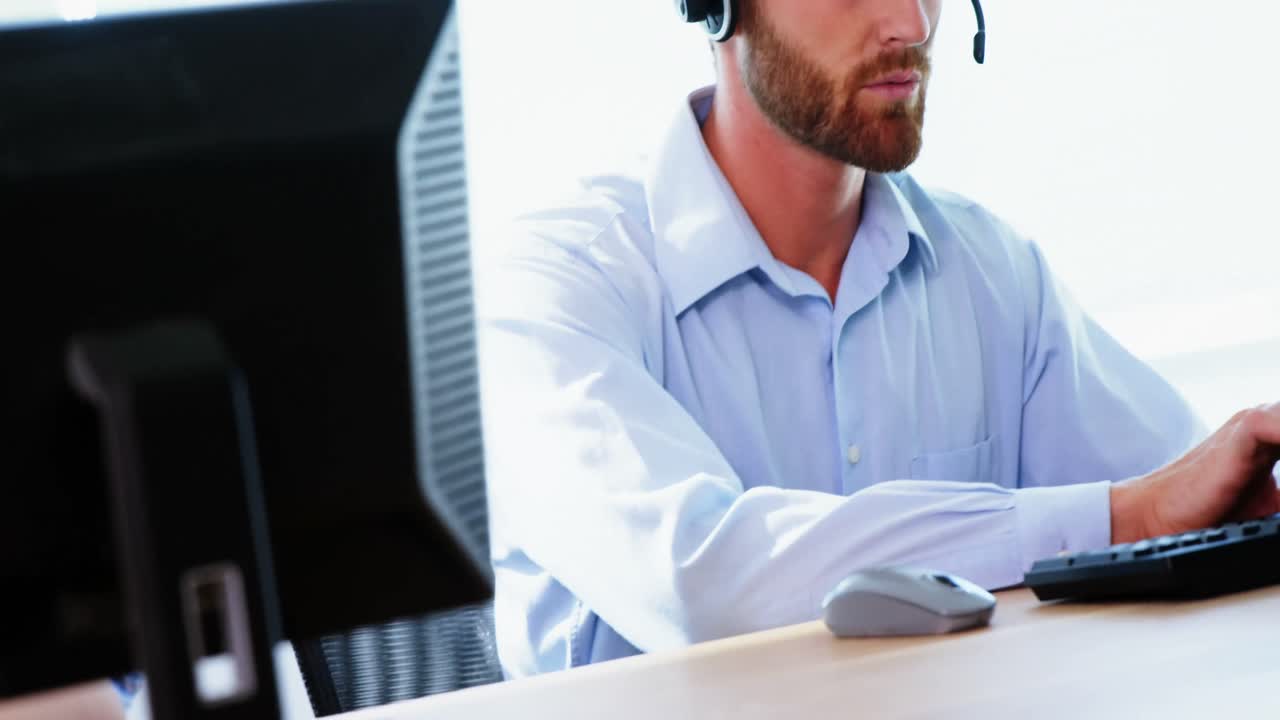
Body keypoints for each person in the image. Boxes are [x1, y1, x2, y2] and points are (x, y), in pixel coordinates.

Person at [478, 0, 1280, 680]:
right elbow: (702, 582)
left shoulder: (990, 272)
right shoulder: (559, 290)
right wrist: (1123, 517)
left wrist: (1232, 502)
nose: (911, 21)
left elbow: (1193, 507)